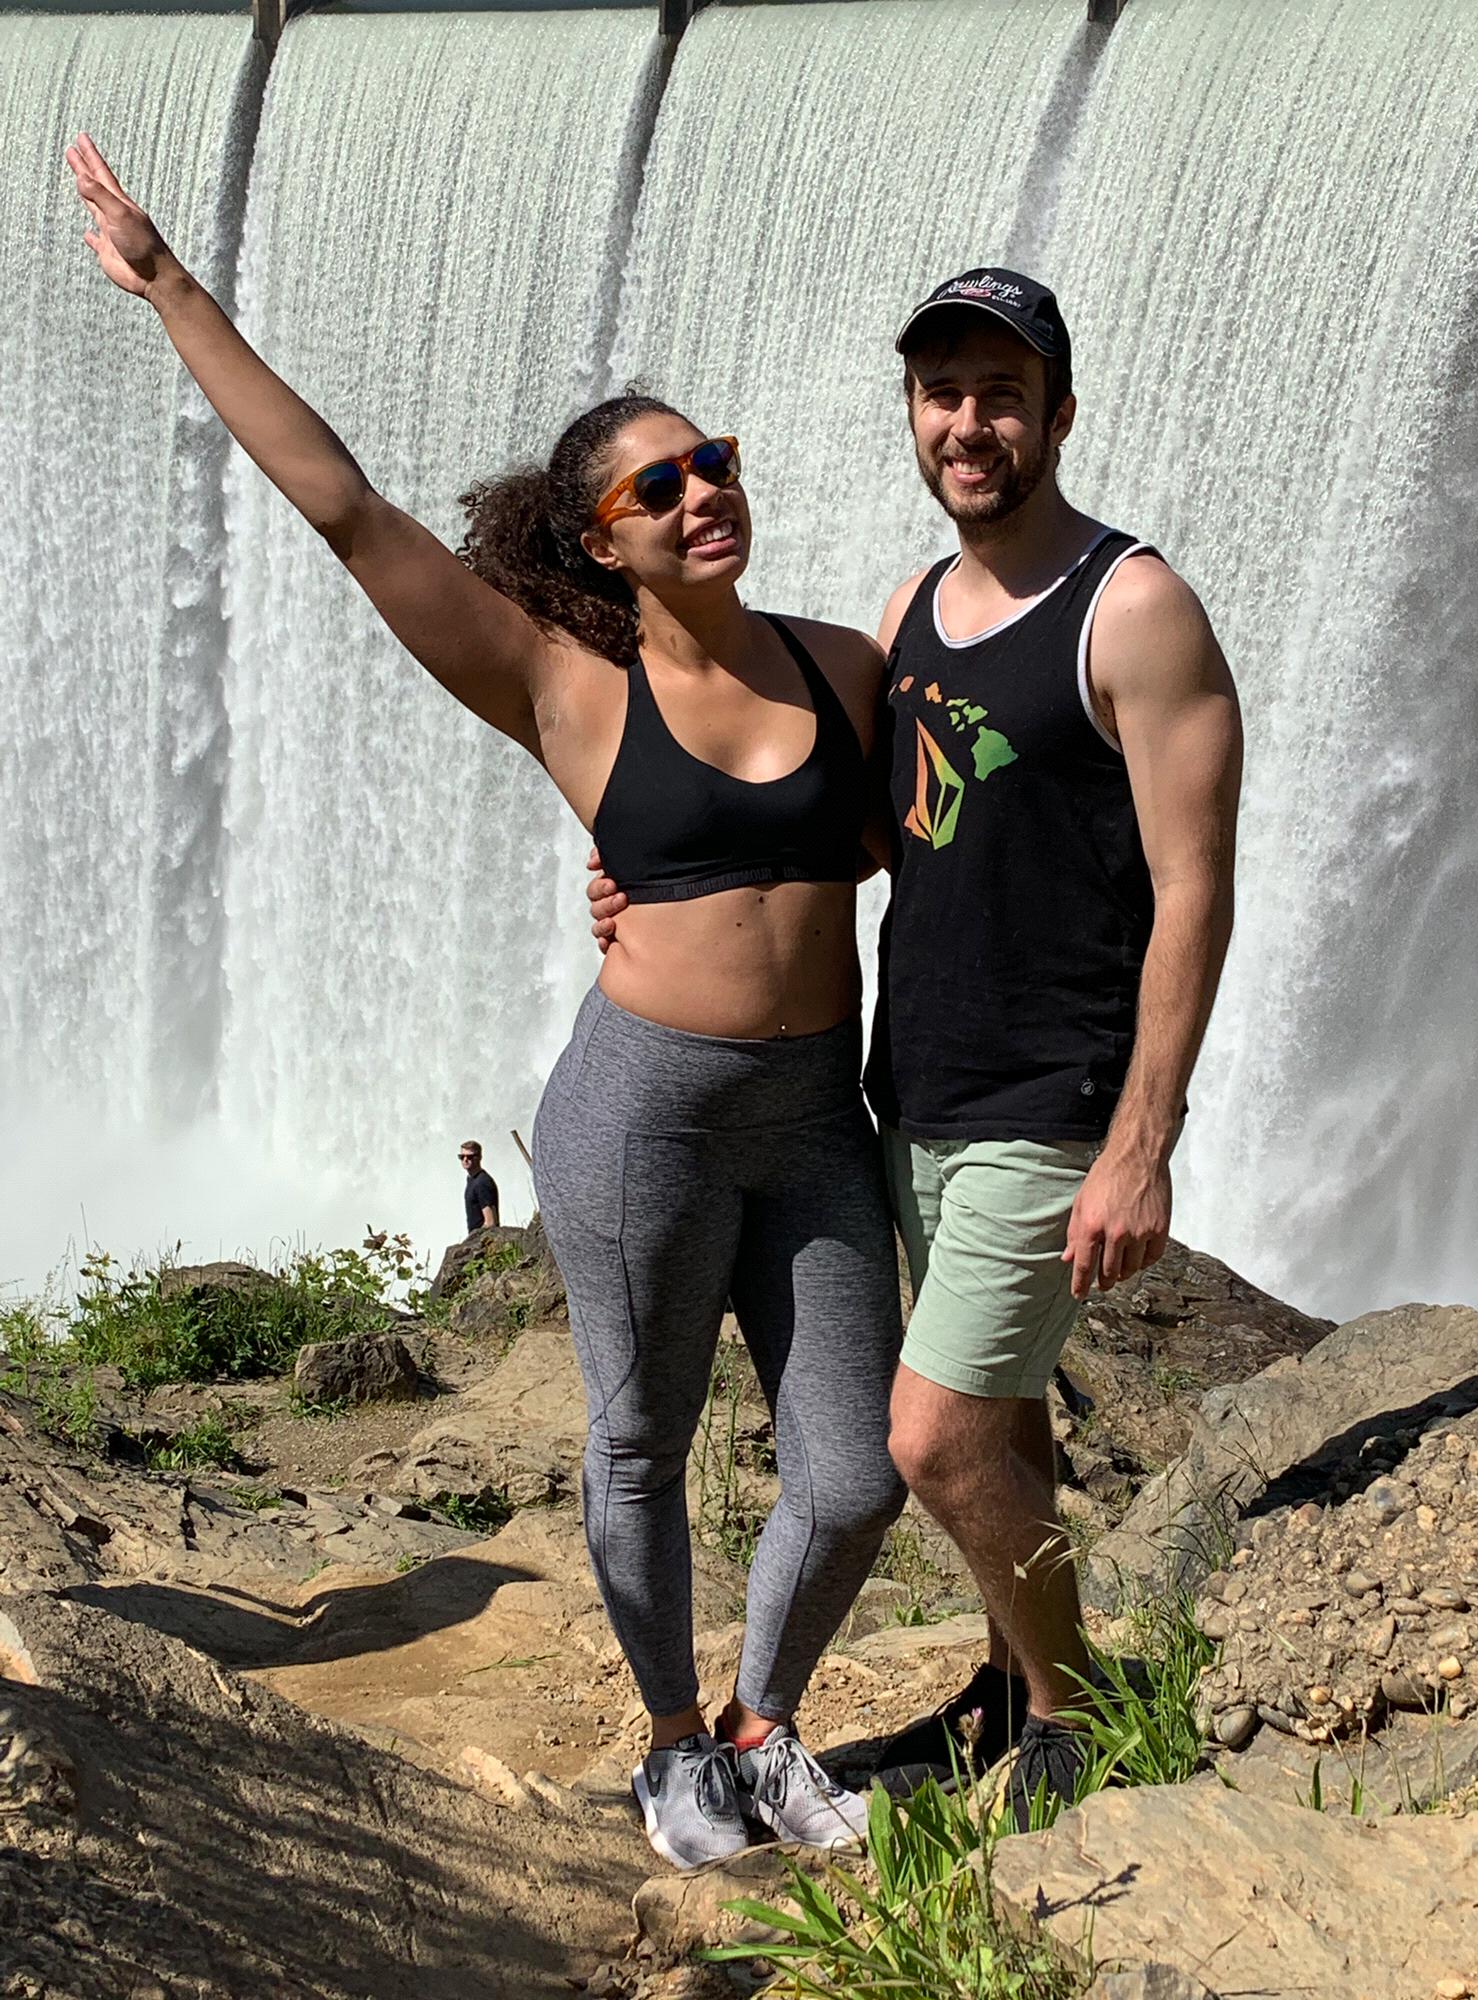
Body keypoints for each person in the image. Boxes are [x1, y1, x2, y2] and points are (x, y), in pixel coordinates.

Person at [68, 133, 903, 1872]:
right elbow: (348, 508)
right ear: (604, 542)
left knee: (852, 1468)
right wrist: (171, 290)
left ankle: (764, 1722)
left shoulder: (845, 664)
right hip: (643, 1107)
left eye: (718, 464)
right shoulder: (562, 688)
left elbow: (912, 849)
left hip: (821, 1111)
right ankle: (675, 1748)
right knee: (640, 1438)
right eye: (661, 488)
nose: (705, 497)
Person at [592, 268, 1243, 1821]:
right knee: (1007, 1426)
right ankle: (1022, 1678)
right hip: (914, 1094)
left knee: (933, 1439)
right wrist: (653, 876)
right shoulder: (906, 615)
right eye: (943, 394)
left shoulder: (1130, 607)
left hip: (1051, 1098)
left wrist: (1141, 1143)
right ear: (914, 416)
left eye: (1002, 395)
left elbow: (1197, 887)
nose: (969, 423)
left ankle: (1078, 1727)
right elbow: (870, 836)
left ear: (1058, 415)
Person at [459, 1142, 500, 1232]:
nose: (465, 1160)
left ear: (479, 1157)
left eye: (469, 1157)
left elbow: (490, 1222)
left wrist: (475, 1240)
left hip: (484, 1240)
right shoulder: (471, 1178)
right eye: (462, 1157)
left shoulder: (482, 1183)